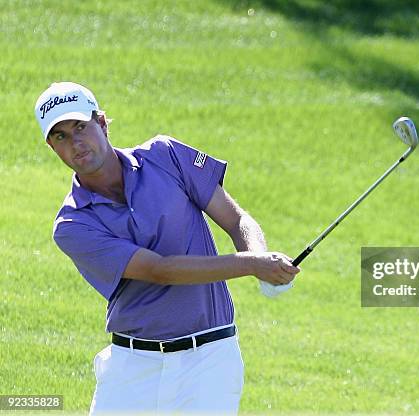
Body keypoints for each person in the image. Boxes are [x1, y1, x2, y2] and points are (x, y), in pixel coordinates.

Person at [34, 81, 300, 415]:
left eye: (80, 127)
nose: (76, 142)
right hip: (132, 368)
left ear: (101, 123)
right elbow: (160, 271)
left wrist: (263, 260)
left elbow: (236, 219)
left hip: (210, 361)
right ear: (52, 147)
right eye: (60, 136)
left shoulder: (167, 155)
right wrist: (253, 264)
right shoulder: (73, 225)